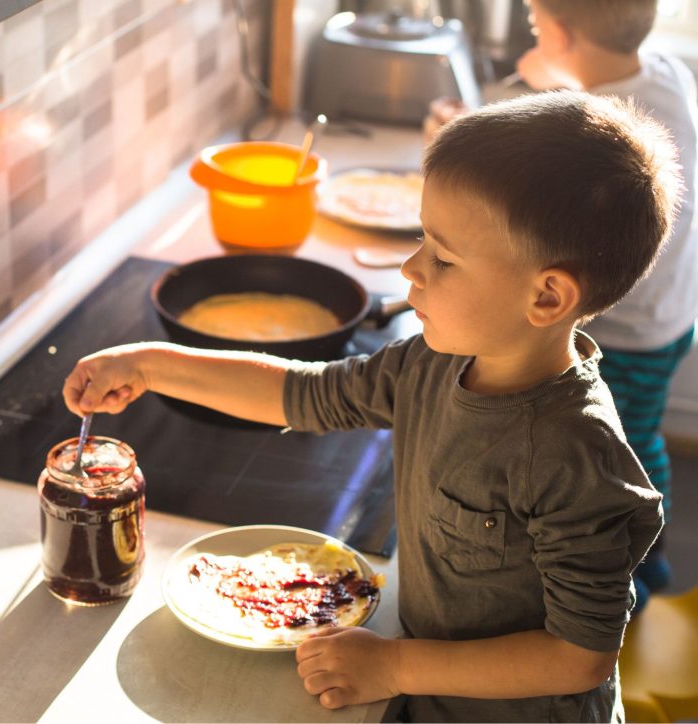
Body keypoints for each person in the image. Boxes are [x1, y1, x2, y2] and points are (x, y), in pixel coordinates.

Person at [62, 91, 677, 721]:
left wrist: (394, 664)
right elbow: (302, 393)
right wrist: (147, 364)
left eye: (442, 257)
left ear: (546, 298)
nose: (410, 268)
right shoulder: (434, 362)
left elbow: (579, 656)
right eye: (421, 241)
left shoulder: (576, 457)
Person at [517, 0, 698, 603]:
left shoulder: (600, 124)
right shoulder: (667, 72)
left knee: (617, 453)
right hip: (672, 317)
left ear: (560, 35)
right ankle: (653, 560)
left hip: (628, 333)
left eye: (536, 26)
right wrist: (559, 79)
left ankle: (637, 576)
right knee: (640, 439)